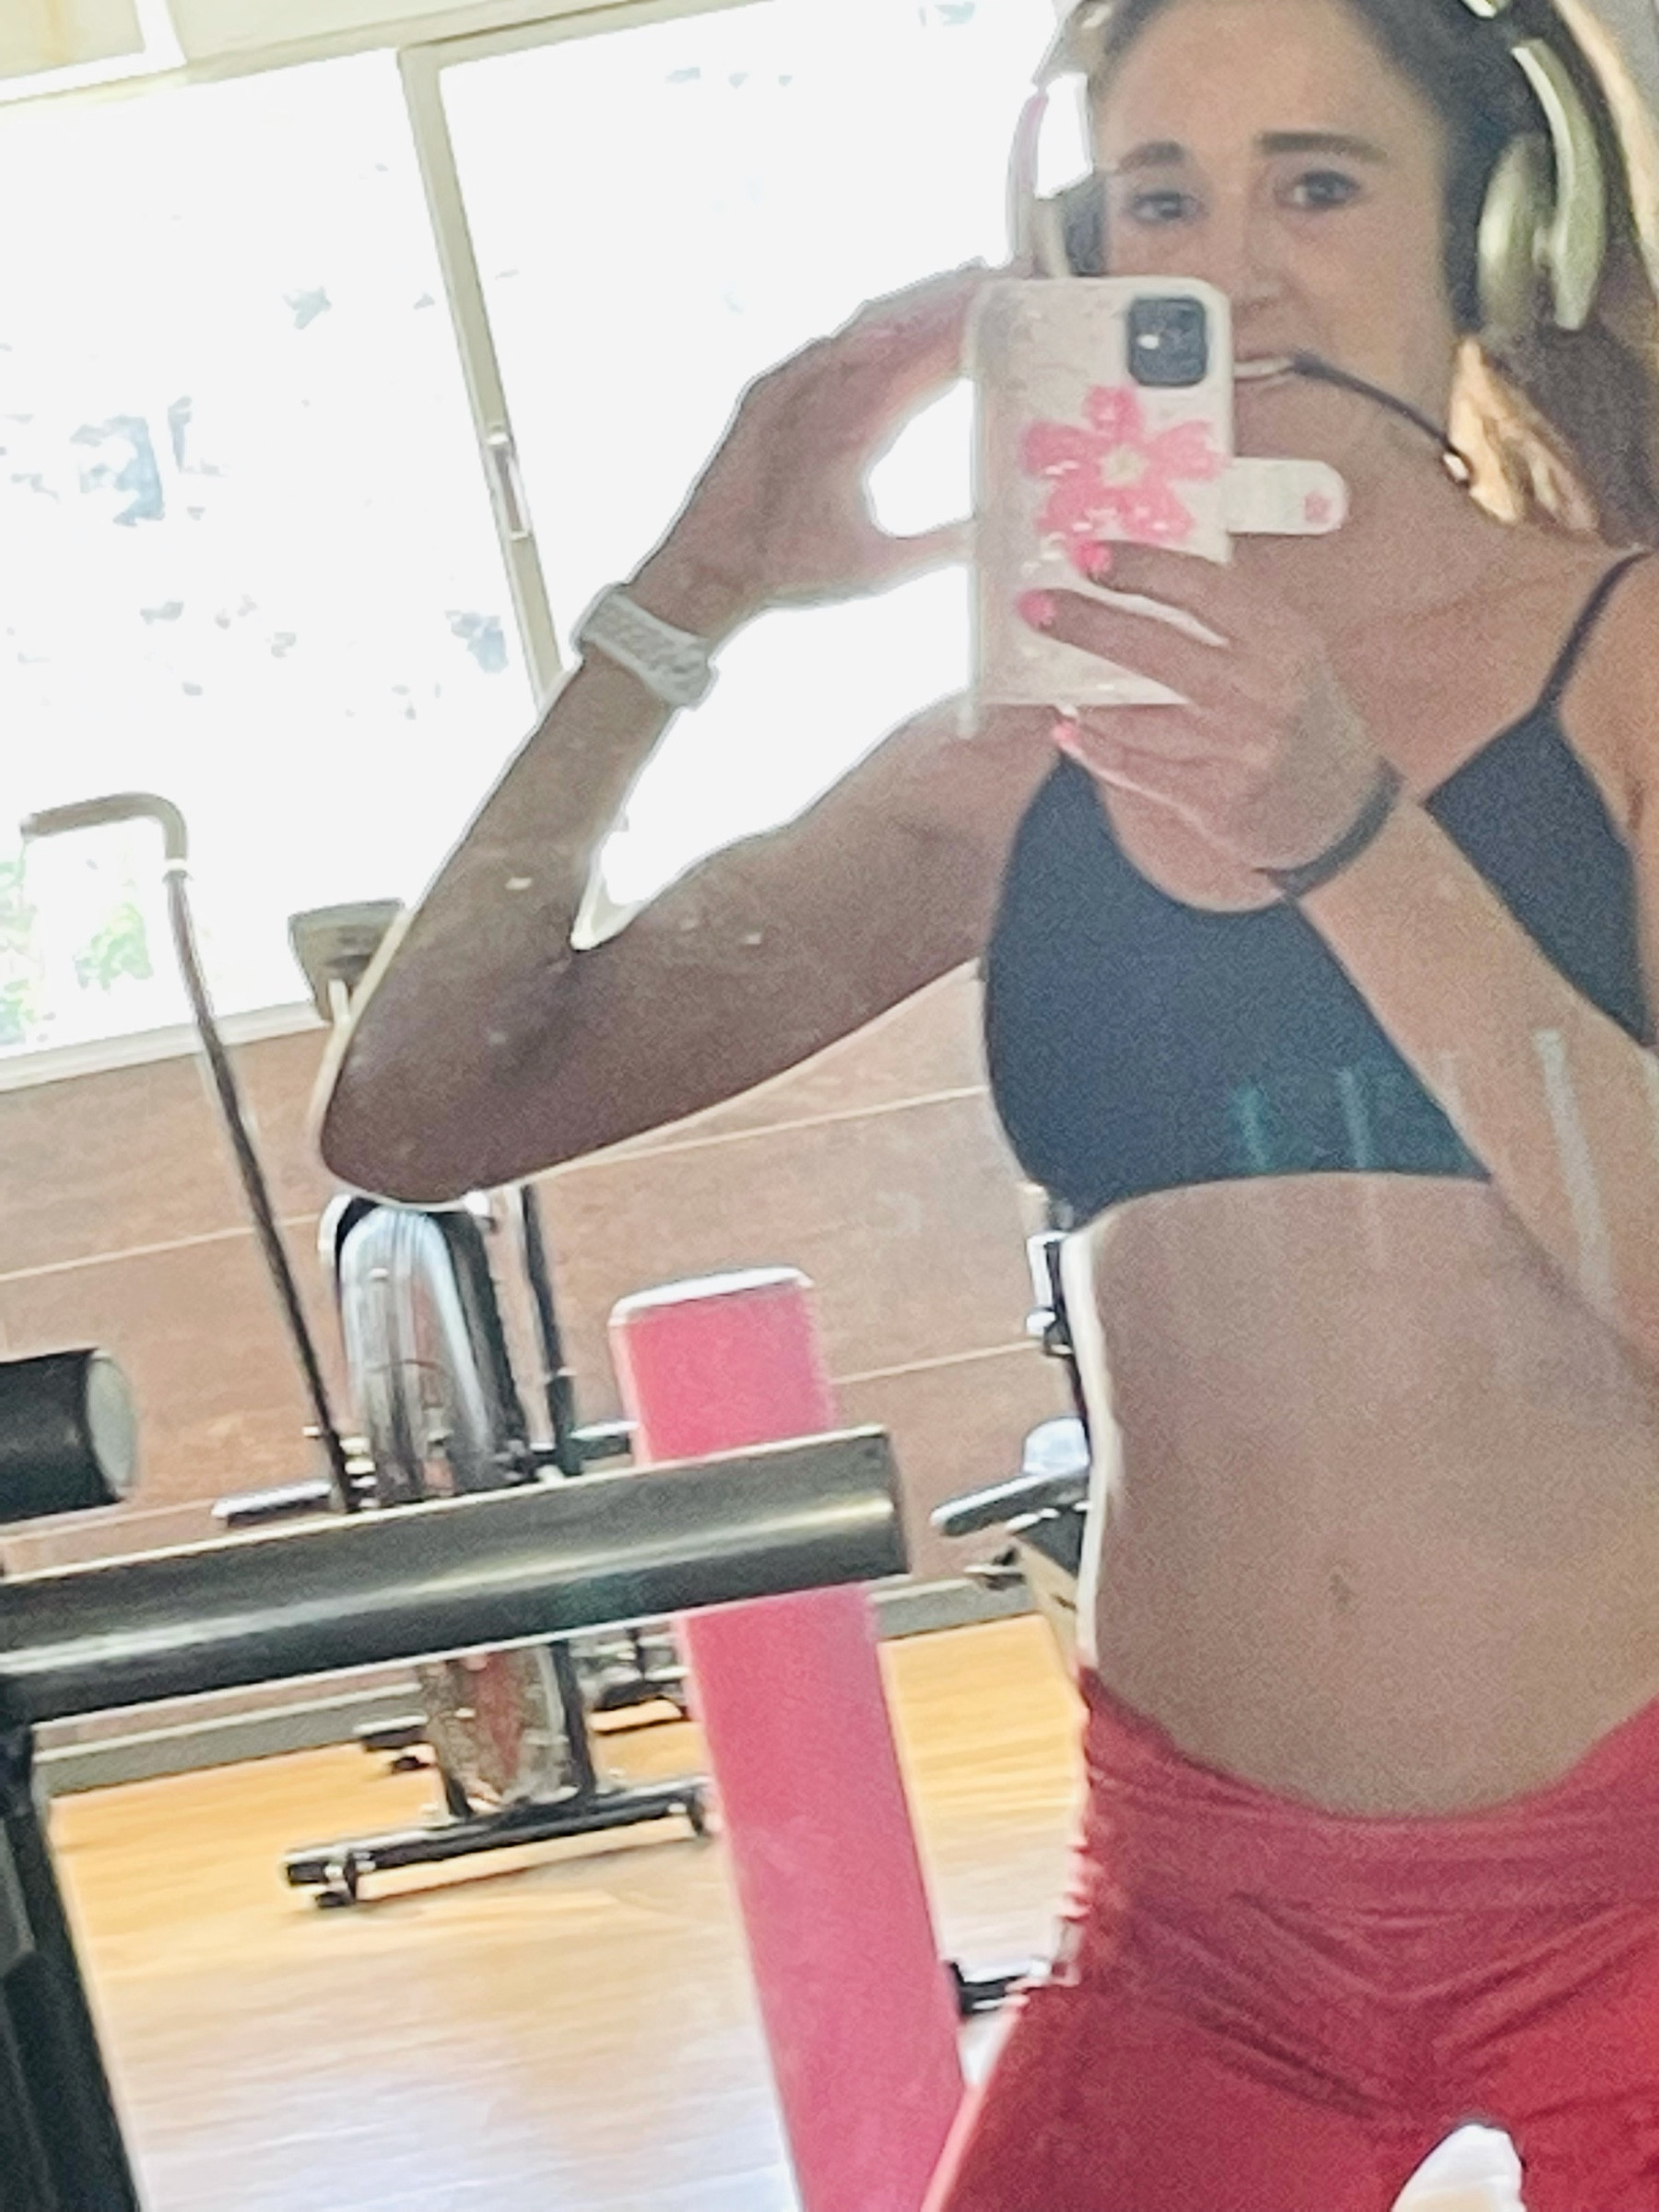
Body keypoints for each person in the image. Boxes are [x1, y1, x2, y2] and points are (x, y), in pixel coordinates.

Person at [319, 0, 1659, 2194]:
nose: (1230, 270)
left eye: (1318, 185)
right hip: (1201, 1930)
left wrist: (1344, 831)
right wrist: (690, 595)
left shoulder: (1633, 666)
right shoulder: (1029, 748)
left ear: (1493, 239)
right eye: (1159, 200)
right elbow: (423, 1111)